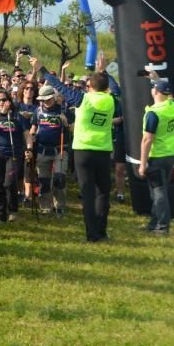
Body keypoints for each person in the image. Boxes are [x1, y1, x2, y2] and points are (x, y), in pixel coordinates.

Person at [32, 55, 119, 242]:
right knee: (103, 192)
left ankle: (92, 234)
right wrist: (103, 71)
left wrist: (42, 69)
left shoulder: (83, 99)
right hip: (103, 151)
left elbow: (59, 86)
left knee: (88, 194)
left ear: (90, 87)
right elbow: (116, 88)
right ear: (106, 88)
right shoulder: (111, 100)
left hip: (83, 151)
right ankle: (102, 232)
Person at [137, 80, 174, 234]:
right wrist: (156, 77)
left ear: (155, 92)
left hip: (157, 156)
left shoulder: (154, 113)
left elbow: (147, 140)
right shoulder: (172, 106)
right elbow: (170, 95)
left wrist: (142, 164)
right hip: (170, 155)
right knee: (158, 191)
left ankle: (161, 226)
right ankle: (154, 222)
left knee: (159, 193)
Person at [0, 89, 29, 222]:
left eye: (4, 100)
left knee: (9, 183)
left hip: (13, 154)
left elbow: (27, 135)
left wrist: (29, 148)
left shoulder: (18, 117)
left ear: (9, 102)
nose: (1, 102)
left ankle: (13, 209)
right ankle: (0, 214)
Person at [30, 85, 70, 216]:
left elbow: (74, 129)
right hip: (42, 150)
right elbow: (33, 128)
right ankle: (45, 206)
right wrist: (30, 141)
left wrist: (67, 124)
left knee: (59, 178)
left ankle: (60, 205)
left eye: (47, 99)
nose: (45, 102)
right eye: (42, 100)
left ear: (54, 97)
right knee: (44, 180)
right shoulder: (38, 111)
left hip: (60, 149)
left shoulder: (63, 110)